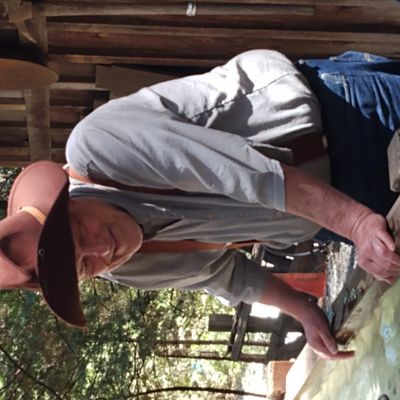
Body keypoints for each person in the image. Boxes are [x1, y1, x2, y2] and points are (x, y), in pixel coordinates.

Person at [1, 49, 400, 360]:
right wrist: (303, 310)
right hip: (331, 218)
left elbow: (245, 172)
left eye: (78, 236)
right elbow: (223, 276)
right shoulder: (125, 268)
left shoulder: (98, 149)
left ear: (65, 201)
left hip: (346, 122)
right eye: (85, 266)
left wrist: (355, 222)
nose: (101, 249)